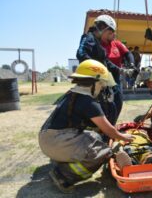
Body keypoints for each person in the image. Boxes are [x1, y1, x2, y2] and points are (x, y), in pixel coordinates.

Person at [38, 59, 135, 193]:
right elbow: (108, 130)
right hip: (57, 142)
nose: (102, 88)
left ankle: (64, 161)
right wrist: (123, 137)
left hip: (49, 138)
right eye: (101, 84)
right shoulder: (88, 102)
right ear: (94, 82)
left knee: (95, 137)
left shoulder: (73, 93)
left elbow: (98, 130)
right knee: (103, 153)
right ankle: (64, 176)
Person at [76, 14, 135, 126]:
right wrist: (97, 68)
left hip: (105, 79)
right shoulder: (88, 38)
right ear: (102, 28)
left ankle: (109, 129)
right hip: (94, 81)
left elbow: (106, 62)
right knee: (103, 107)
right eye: (109, 33)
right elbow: (81, 54)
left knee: (115, 103)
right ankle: (104, 130)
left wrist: (122, 71)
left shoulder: (98, 43)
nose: (110, 36)